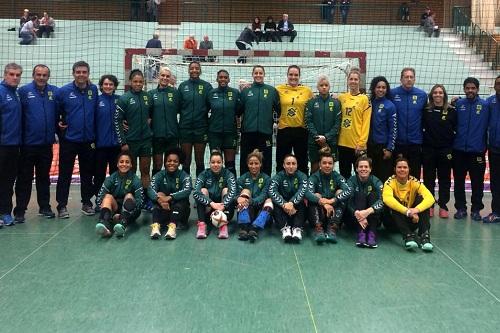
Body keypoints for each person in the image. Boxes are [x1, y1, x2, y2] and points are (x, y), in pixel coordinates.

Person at [13, 64, 58, 223]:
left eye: (45, 75)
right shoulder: (23, 91)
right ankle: (20, 210)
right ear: (33, 75)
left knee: (43, 177)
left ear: (48, 76)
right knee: (24, 178)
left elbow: (60, 113)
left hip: (46, 144)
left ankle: (44, 206)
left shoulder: (54, 92)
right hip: (27, 144)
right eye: (38, 74)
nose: (41, 77)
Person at [55, 61, 98, 218]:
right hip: (69, 141)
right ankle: (61, 206)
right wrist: (59, 129)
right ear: (73, 73)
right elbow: (56, 113)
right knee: (64, 173)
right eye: (78, 72)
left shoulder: (93, 89)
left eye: (84, 72)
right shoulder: (64, 91)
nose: (81, 74)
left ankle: (86, 203)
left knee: (87, 174)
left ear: (88, 74)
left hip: (88, 141)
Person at [115, 69, 153, 209]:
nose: (138, 84)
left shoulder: (147, 96)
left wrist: (149, 121)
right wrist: (123, 142)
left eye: (140, 81)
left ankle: (146, 199)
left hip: (146, 141)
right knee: (131, 170)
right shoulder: (124, 98)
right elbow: (117, 121)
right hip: (130, 142)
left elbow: (152, 114)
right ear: (130, 82)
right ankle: (131, 198)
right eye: (135, 81)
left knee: (145, 170)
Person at [452, 77, 489, 221]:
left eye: (473, 88)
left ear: (478, 90)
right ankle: (460, 208)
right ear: (464, 89)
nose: (470, 91)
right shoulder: (458, 104)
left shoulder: (486, 105)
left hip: (477, 151)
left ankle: (476, 210)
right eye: (467, 88)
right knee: (459, 181)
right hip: (459, 150)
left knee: (477, 182)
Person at [382, 157, 435, 251]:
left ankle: (424, 237)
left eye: (405, 167)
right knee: (394, 201)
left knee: (422, 199)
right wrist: (407, 211)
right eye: (399, 167)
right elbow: (387, 199)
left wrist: (416, 210)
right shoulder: (390, 182)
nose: (402, 169)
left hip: (412, 221)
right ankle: (408, 237)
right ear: (395, 169)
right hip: (392, 222)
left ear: (409, 169)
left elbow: (430, 198)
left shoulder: (414, 182)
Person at [421, 84, 456, 218]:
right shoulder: (426, 111)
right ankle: (429, 205)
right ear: (431, 95)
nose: (438, 95)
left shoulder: (452, 111)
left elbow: (455, 129)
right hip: (429, 149)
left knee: (444, 179)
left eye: (440, 93)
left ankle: (443, 205)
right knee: (428, 179)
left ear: (444, 95)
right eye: (435, 93)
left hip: (445, 150)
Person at [238, 65, 280, 176]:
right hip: (248, 132)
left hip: (265, 132)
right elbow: (238, 110)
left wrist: (273, 122)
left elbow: (278, 110)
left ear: (264, 75)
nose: (258, 75)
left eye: (260, 73)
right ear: (252, 75)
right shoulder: (246, 91)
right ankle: (244, 183)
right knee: (245, 159)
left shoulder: (271, 91)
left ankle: (266, 185)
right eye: (256, 73)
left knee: (266, 160)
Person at [306, 147, 352, 244]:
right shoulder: (314, 177)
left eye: (330, 163)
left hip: (333, 213)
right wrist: (323, 202)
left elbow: (349, 190)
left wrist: (333, 200)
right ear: (320, 164)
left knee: (340, 192)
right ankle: (318, 229)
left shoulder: (337, 176)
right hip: (318, 213)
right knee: (316, 195)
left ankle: (333, 228)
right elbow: (307, 193)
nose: (327, 166)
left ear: (334, 165)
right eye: (324, 163)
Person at [275, 65, 314, 174]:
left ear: (299, 76)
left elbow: (316, 104)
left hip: (301, 130)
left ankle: (304, 185)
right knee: (281, 160)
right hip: (284, 129)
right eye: (291, 74)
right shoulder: (279, 89)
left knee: (302, 161)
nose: (293, 77)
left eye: (296, 75)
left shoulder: (307, 91)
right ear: (287, 76)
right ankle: (281, 185)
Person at [390, 67, 427, 179]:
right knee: (398, 175)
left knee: (414, 175)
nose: (409, 79)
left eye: (411, 77)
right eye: (406, 77)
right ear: (401, 79)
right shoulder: (392, 94)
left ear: (414, 79)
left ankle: (414, 196)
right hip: (398, 143)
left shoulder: (422, 95)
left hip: (415, 143)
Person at [95, 152, 143, 238]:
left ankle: (122, 224)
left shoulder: (136, 180)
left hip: (130, 213)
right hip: (115, 209)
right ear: (117, 164)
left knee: (129, 195)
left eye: (127, 162)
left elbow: (140, 203)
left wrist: (124, 215)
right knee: (107, 197)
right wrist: (111, 215)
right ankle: (104, 224)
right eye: (121, 162)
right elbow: (99, 199)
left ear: (131, 165)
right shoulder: (111, 178)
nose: (124, 164)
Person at [177, 61, 212, 176]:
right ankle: (185, 187)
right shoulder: (182, 86)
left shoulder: (207, 86)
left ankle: (199, 186)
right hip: (185, 128)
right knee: (186, 160)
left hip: (201, 128)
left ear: (200, 70)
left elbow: (212, 105)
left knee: (200, 160)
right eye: (192, 68)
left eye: (197, 68)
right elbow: (177, 107)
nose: (194, 70)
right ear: (188, 70)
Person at [148, 148, 192, 239]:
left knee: (181, 201)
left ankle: (172, 228)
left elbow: (187, 190)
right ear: (165, 162)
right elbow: (150, 190)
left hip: (180, 213)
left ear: (179, 163)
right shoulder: (159, 175)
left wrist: (170, 197)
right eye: (169, 161)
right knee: (158, 196)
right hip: (165, 208)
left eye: (175, 161)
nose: (172, 163)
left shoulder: (184, 176)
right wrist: (159, 200)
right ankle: (155, 227)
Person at [193, 150, 237, 239]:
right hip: (208, 209)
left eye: (218, 162)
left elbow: (233, 192)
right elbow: (195, 193)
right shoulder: (204, 174)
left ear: (222, 163)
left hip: (223, 210)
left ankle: (223, 226)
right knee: (203, 190)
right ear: (209, 163)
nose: (216, 165)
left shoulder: (228, 174)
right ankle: (202, 225)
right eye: (213, 162)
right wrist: (211, 204)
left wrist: (223, 205)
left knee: (226, 190)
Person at [337, 69, 372, 179]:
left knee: (360, 175)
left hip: (357, 145)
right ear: (347, 81)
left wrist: (361, 143)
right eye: (351, 79)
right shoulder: (341, 98)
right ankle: (345, 196)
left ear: (359, 81)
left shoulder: (364, 99)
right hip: (342, 143)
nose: (353, 81)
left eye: (356, 79)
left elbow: (366, 123)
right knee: (344, 175)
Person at [0, 63, 22, 227]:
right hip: (2, 145)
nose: (15, 77)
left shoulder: (16, 94)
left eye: (17, 75)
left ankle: (5, 212)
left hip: (14, 146)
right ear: (5, 75)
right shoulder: (1, 92)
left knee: (8, 181)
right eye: (12, 74)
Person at [94, 74, 121, 207]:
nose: (108, 86)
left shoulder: (120, 100)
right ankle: (99, 201)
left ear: (115, 86)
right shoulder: (96, 101)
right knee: (99, 175)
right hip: (100, 145)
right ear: (101, 86)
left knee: (115, 174)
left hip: (117, 145)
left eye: (111, 84)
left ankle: (115, 200)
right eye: (105, 84)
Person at [207, 69, 240, 177]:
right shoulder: (211, 93)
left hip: (230, 133)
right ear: (217, 79)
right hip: (214, 133)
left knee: (230, 164)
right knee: (216, 162)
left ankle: (232, 186)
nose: (223, 79)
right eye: (220, 77)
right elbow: (204, 110)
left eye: (225, 77)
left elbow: (239, 111)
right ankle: (214, 185)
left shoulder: (235, 93)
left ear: (229, 79)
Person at [306, 74, 341, 174]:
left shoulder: (336, 103)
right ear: (317, 87)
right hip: (314, 141)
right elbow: (308, 121)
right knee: (315, 167)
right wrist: (317, 137)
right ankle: (314, 188)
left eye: (326, 85)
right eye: (321, 85)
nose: (324, 87)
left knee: (329, 166)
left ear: (329, 87)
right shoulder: (311, 102)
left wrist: (326, 137)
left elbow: (337, 123)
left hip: (331, 141)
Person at [345, 156, 384, 248]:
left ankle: (372, 233)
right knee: (360, 195)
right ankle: (361, 233)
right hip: (355, 218)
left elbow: (383, 200)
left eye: (366, 167)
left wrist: (367, 212)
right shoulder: (351, 181)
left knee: (373, 195)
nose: (363, 169)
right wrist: (358, 214)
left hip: (372, 217)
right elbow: (348, 200)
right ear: (356, 169)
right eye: (361, 167)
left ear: (370, 169)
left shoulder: (376, 181)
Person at [148, 67, 180, 176]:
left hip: (172, 135)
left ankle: (170, 188)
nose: (165, 78)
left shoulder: (175, 93)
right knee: (157, 164)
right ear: (158, 77)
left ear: (170, 78)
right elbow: (147, 115)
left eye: (167, 76)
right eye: (162, 75)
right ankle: (154, 188)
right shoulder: (151, 94)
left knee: (171, 163)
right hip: (157, 135)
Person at [236, 149, 273, 242]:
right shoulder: (243, 178)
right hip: (247, 210)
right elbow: (234, 193)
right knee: (244, 191)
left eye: (256, 163)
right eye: (251, 163)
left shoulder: (267, 179)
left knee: (269, 200)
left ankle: (254, 229)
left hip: (261, 211)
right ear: (247, 164)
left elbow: (264, 195)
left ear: (260, 164)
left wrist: (251, 201)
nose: (253, 166)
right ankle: (243, 229)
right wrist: (238, 198)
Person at [269, 154, 308, 242]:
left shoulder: (302, 176)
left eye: (293, 164)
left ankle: (297, 229)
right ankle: (285, 229)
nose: (291, 166)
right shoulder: (278, 176)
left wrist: (291, 203)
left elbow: (302, 191)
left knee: (302, 202)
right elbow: (272, 191)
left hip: (296, 209)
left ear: (297, 165)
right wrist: (284, 204)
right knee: (274, 203)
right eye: (288, 164)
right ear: (283, 165)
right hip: (283, 209)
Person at [367, 76, 396, 183]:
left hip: (383, 148)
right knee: (371, 176)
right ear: (374, 88)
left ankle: (384, 199)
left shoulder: (390, 106)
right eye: (378, 87)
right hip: (370, 146)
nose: (381, 89)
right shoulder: (369, 103)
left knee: (384, 178)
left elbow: (393, 129)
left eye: (384, 87)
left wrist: (389, 148)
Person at [483, 75, 500, 223]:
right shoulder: (489, 103)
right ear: (494, 86)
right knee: (495, 182)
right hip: (495, 150)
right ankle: (496, 212)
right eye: (498, 84)